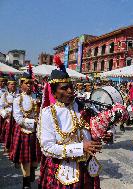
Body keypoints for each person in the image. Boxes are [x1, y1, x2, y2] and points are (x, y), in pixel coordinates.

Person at [38, 56, 102, 189]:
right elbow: (47, 148)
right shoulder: (48, 113)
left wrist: (103, 134)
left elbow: (92, 132)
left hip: (88, 168)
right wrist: (80, 148)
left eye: (71, 87)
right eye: (64, 88)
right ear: (54, 93)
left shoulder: (82, 107)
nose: (70, 91)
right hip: (64, 171)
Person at [9, 67, 41, 189]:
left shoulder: (35, 97)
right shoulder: (17, 100)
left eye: (31, 83)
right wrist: (34, 122)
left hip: (34, 132)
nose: (29, 86)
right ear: (21, 84)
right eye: (27, 83)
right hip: (24, 132)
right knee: (25, 160)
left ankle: (31, 174)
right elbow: (19, 119)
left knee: (34, 159)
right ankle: (25, 183)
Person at [0, 73, 17, 151]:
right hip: (8, 118)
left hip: (17, 118)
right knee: (7, 133)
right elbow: (0, 107)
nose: (13, 86)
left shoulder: (19, 94)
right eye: (11, 84)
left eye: (14, 84)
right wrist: (5, 114)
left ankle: (14, 147)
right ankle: (7, 146)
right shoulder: (5, 94)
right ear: (8, 85)